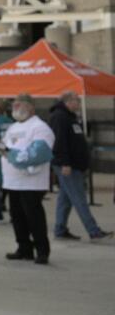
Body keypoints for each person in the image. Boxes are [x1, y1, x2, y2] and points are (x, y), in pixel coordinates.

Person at [0, 94, 55, 264]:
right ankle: (24, 248)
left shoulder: (40, 128)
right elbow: (4, 149)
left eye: (19, 105)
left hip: (31, 181)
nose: (15, 109)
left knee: (34, 216)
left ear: (30, 107)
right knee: (17, 216)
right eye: (14, 106)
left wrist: (11, 155)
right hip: (13, 181)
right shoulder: (13, 127)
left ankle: (42, 250)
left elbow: (38, 153)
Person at [49, 91, 111, 241]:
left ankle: (60, 229)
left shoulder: (70, 117)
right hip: (67, 165)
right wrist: (65, 163)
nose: (78, 103)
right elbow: (59, 142)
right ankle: (94, 231)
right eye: (76, 100)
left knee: (66, 199)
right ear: (67, 102)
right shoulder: (59, 117)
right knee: (79, 198)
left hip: (75, 164)